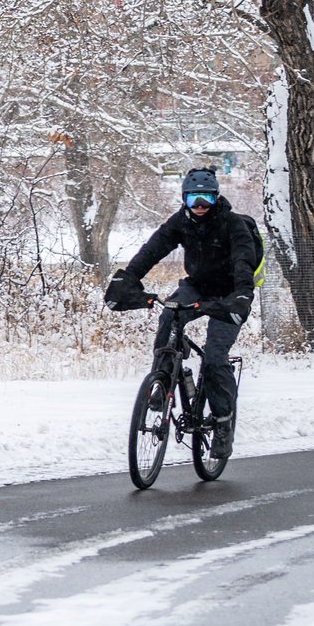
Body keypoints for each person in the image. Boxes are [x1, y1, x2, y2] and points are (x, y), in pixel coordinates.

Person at [102, 166, 263, 457]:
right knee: (169, 315)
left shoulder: (233, 224)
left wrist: (241, 295)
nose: (200, 207)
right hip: (197, 286)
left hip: (229, 293)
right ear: (183, 200)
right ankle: (162, 381)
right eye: (193, 200)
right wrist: (129, 279)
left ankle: (223, 424)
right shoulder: (180, 222)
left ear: (216, 198)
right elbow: (151, 252)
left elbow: (244, 263)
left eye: (206, 200)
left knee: (214, 357)